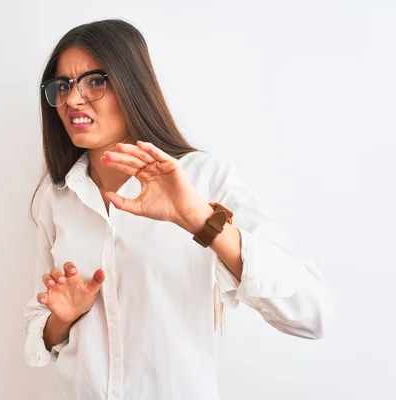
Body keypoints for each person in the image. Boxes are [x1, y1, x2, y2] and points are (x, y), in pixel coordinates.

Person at [23, 19, 334, 400]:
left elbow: (312, 313)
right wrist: (63, 317)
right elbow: (39, 336)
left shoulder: (205, 179)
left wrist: (198, 219)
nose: (73, 100)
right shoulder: (55, 199)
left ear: (132, 83)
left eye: (95, 81)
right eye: (64, 86)